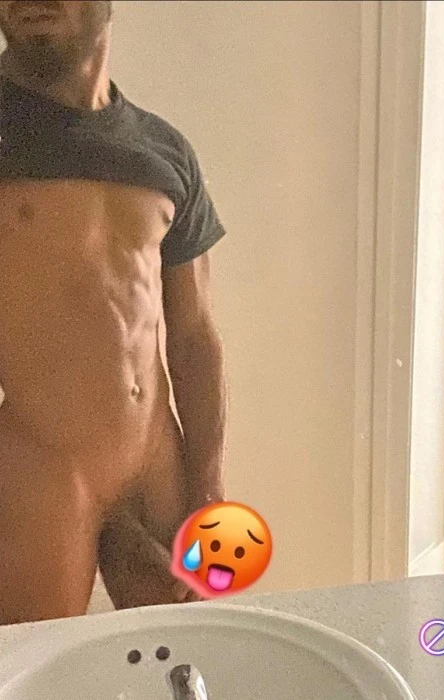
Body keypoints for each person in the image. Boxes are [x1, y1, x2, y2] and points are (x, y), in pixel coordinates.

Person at [0, 0, 228, 624]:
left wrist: (208, 490)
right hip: (41, 468)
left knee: (187, 654)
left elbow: (194, 336)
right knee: (35, 664)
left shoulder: (165, 150)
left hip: (158, 461)